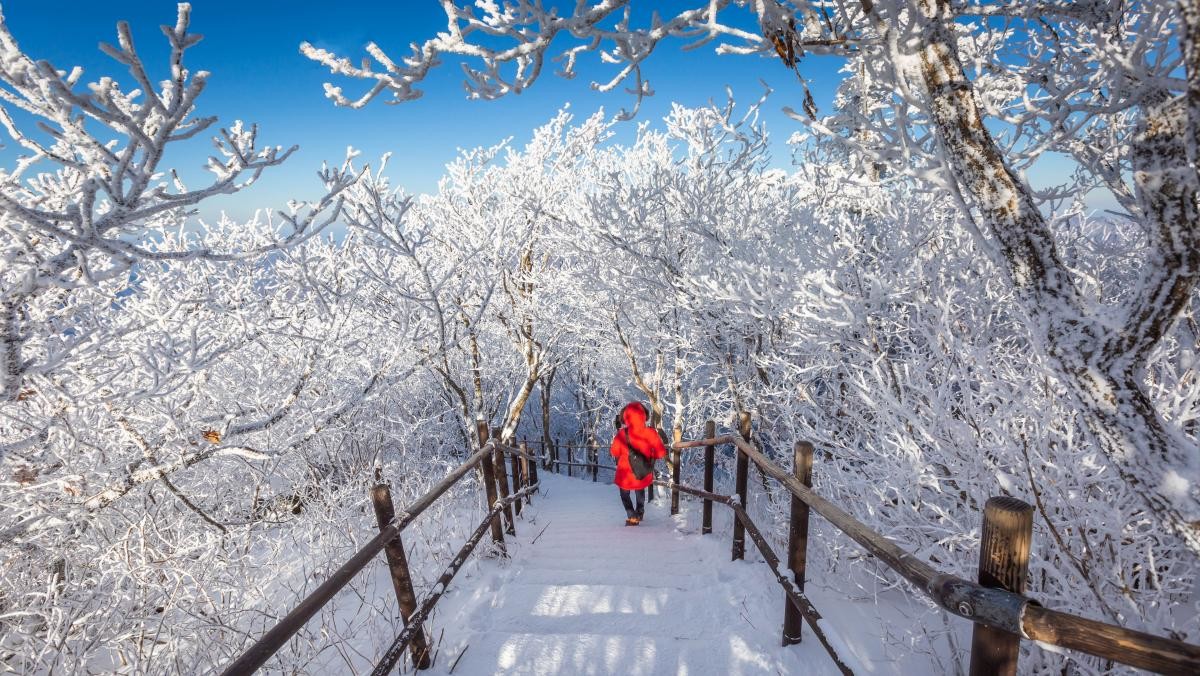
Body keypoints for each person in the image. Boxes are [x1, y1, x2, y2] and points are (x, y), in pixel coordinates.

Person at [609, 401, 667, 526]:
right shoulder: (651, 432)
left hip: (625, 473)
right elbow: (661, 453)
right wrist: (651, 456)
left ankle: (632, 515)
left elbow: (614, 452)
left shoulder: (622, 434)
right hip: (642, 470)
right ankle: (639, 513)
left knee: (624, 493)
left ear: (625, 417)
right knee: (640, 489)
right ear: (644, 415)